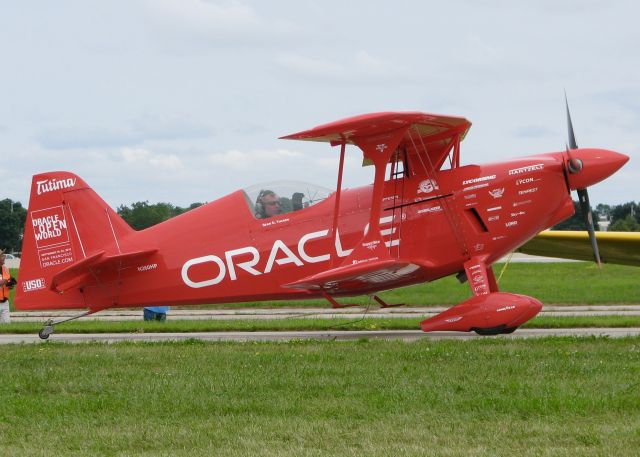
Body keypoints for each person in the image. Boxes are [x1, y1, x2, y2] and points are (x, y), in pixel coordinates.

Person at [0, 250, 17, 324]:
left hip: (5, 302)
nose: (4, 257)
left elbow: (12, 280)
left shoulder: (5, 269)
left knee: (7, 325)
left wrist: (10, 285)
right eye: (2, 256)